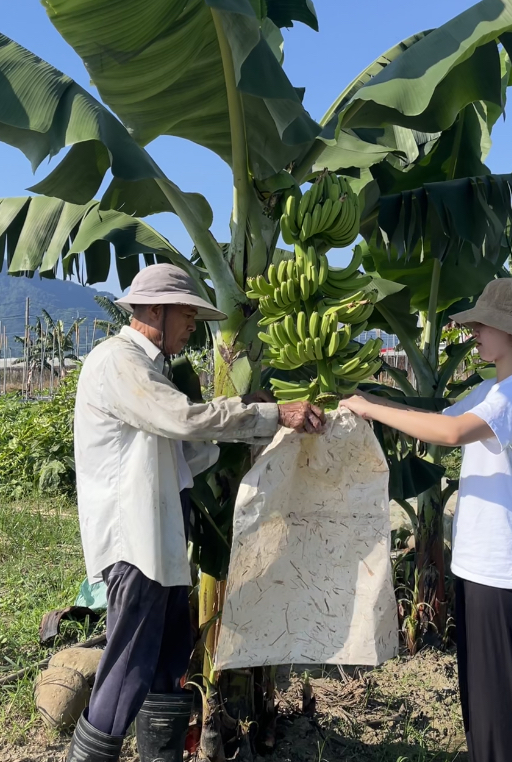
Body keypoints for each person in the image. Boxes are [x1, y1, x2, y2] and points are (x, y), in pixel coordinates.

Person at [66, 264, 325, 762]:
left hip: (161, 539)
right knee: (128, 669)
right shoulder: (117, 362)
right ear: (156, 310)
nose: (192, 327)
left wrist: (252, 427)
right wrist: (267, 413)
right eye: (187, 315)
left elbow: (184, 453)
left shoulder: (151, 370)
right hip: (135, 544)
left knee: (167, 663)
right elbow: (182, 419)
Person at [342, 277, 512, 762]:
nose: (475, 331)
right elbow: (434, 418)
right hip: (479, 567)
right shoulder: (490, 388)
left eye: (486, 324)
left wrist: (371, 406)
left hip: (510, 572)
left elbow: (453, 432)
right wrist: (362, 402)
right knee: (482, 704)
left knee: (509, 712)